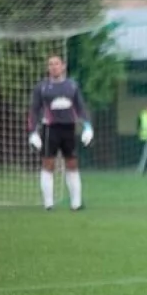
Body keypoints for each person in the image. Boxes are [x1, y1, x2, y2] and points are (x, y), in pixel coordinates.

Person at [27, 55, 92, 211]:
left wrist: (88, 127)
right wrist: (32, 132)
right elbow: (34, 111)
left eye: (56, 64)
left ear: (63, 66)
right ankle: (48, 204)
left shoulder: (72, 86)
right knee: (48, 164)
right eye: (50, 64)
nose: (53, 67)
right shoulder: (41, 87)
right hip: (50, 129)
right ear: (48, 67)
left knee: (72, 164)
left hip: (69, 128)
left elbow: (80, 107)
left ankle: (76, 204)